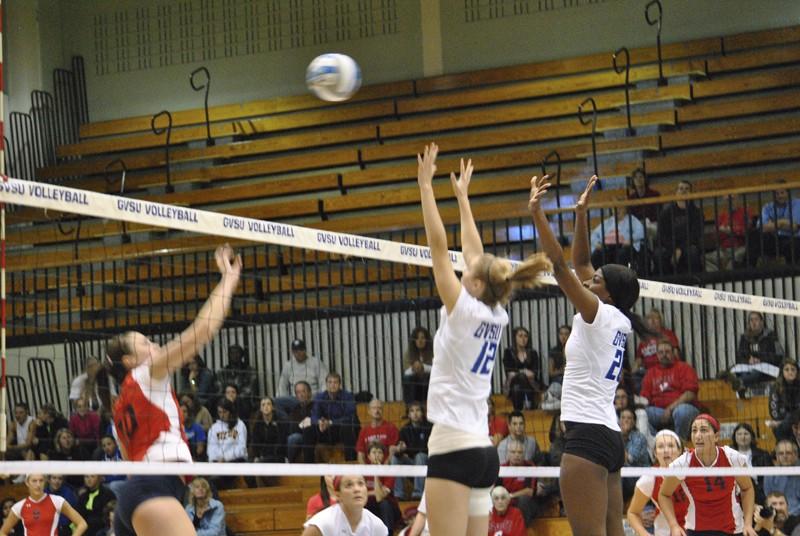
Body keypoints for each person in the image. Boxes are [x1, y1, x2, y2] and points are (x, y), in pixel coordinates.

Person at [419, 145, 550, 536]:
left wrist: (426, 186)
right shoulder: (495, 312)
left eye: (470, 270)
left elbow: (439, 249)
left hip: (453, 445)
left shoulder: (463, 311)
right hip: (481, 453)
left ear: (476, 283)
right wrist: (462, 199)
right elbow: (474, 255)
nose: (466, 265)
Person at [530, 173, 652, 536]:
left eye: (596, 280)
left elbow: (559, 265)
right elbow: (581, 261)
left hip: (585, 437)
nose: (588, 281)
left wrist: (537, 213)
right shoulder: (618, 318)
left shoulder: (598, 313)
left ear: (609, 293)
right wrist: (582, 214)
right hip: (609, 437)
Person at [101, 243, 241, 536]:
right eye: (144, 343)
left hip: (137, 495)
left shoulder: (120, 405)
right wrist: (228, 279)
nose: (153, 345)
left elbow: (130, 465)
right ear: (130, 360)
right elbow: (202, 331)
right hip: (154, 491)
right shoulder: (147, 373)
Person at [658, 414, 757, 536]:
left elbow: (747, 488)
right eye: (694, 431)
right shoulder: (683, 464)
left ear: (716, 436)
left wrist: (748, 523)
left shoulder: (732, 458)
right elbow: (664, 495)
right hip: (697, 530)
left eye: (703, 430)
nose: (698, 435)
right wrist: (673, 526)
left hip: (733, 529)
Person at [627, 429, 688, 536]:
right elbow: (632, 513)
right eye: (661, 447)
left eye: (670, 446)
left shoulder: (692, 471)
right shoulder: (650, 477)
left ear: (680, 450)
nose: (666, 450)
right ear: (655, 453)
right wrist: (644, 534)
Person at [640, 338, 700, 440]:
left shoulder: (684, 368)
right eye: (661, 352)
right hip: (658, 412)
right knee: (641, 414)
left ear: (673, 353)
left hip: (682, 409)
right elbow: (644, 397)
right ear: (657, 355)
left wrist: (670, 409)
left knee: (682, 412)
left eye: (667, 352)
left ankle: (679, 443)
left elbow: (690, 394)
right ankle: (657, 442)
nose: (664, 355)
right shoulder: (650, 372)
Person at [0, 474, 88, 536]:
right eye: (34, 481)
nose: (38, 484)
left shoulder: (57, 501)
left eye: (41, 480)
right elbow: (2, 532)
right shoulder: (19, 506)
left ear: (45, 482)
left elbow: (82, 524)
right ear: (27, 483)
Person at [302, 372, 360, 463]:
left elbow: (350, 417)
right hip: (325, 430)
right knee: (308, 429)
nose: (332, 385)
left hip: (341, 430)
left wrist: (331, 422)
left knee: (348, 425)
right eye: (330, 382)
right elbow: (314, 415)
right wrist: (319, 422)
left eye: (335, 382)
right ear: (326, 384)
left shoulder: (348, 396)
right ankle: (308, 466)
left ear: (340, 384)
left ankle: (351, 462)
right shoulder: (320, 397)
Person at [302, 475, 388, 536]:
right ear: (338, 494)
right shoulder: (323, 524)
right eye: (349, 485)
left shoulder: (377, 526)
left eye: (361, 483)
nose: (357, 489)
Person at [655, 180, 704, 275]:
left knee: (693, 252)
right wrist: (674, 249)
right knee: (658, 254)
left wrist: (680, 249)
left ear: (691, 193)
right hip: (669, 246)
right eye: (681, 188)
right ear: (676, 192)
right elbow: (662, 235)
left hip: (688, 245)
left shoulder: (697, 213)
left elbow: (695, 235)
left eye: (687, 189)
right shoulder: (666, 213)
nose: (683, 191)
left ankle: (694, 283)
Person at [747, 182, 800, 266]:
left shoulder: (797, 203)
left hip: (792, 238)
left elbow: (795, 227)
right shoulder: (767, 207)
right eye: (776, 193)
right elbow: (761, 227)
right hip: (774, 238)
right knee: (753, 234)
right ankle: (748, 270)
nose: (779, 196)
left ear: (788, 192)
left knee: (794, 244)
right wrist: (782, 223)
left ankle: (791, 273)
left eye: (782, 192)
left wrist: (773, 224)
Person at [733, 311, 786, 390]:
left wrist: (760, 360)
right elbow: (739, 357)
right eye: (751, 320)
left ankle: (740, 382)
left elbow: (779, 356)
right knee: (737, 372)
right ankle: (738, 382)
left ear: (761, 322)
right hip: (749, 367)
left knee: (754, 374)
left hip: (766, 369)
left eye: (756, 319)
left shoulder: (770, 336)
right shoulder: (744, 338)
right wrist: (749, 361)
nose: (754, 322)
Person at [390, 401, 431, 501]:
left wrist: (408, 449)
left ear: (422, 412)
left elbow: (427, 449)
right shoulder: (405, 429)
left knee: (420, 456)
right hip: (412, 463)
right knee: (395, 458)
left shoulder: (429, 427)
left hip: (428, 463)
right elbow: (400, 449)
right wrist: (400, 449)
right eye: (412, 411)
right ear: (408, 414)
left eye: (418, 410)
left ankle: (418, 493)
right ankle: (399, 494)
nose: (415, 413)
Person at [276, 339, 330, 414]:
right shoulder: (288, 365)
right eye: (295, 351)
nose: (298, 353)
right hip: (294, 400)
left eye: (300, 350)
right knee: (275, 402)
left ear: (305, 350)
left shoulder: (316, 363)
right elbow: (281, 386)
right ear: (292, 352)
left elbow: (325, 382)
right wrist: (282, 399)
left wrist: (320, 398)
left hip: (312, 399)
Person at [589, 201, 646, 270]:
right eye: (615, 209)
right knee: (597, 254)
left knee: (621, 254)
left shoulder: (632, 220)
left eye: (620, 208)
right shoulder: (608, 222)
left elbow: (641, 231)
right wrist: (597, 243)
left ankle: (620, 278)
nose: (617, 211)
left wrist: (631, 239)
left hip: (624, 246)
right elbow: (594, 234)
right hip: (608, 247)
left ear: (625, 210)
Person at [497, 439, 540, 525]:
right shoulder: (502, 468)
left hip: (525, 503)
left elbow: (529, 491)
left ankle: (522, 530)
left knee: (524, 500)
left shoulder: (530, 467)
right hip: (506, 502)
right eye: (513, 452)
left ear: (524, 454)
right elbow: (496, 490)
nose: (517, 455)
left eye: (520, 452)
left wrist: (510, 496)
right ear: (508, 454)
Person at [207, 398, 248, 490]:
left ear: (230, 411)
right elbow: (211, 450)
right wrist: (218, 460)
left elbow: (241, 449)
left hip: (237, 461)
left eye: (224, 412)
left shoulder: (240, 425)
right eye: (220, 412)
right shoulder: (214, 428)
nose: (222, 415)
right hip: (218, 463)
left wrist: (225, 458)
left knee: (216, 480)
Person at [364, 441, 402, 533]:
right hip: (370, 505)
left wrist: (376, 474)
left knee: (384, 504)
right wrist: (376, 492)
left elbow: (379, 498)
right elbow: (362, 494)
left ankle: (388, 533)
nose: (377, 455)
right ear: (368, 456)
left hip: (389, 510)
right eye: (374, 452)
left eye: (380, 452)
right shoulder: (363, 472)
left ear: (384, 456)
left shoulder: (389, 472)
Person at [502, 327, 543, 411]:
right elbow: (509, 372)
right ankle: (528, 404)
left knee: (519, 384)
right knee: (519, 381)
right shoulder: (508, 352)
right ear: (515, 338)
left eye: (525, 336)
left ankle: (519, 410)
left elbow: (534, 373)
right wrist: (524, 371)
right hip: (512, 383)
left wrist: (518, 372)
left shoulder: (533, 353)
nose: (523, 339)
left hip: (531, 384)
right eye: (520, 336)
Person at [704, 202, 754, 271]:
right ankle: (718, 277)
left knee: (736, 257)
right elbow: (715, 237)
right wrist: (721, 231)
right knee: (704, 258)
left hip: (740, 248)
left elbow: (747, 231)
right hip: (724, 250)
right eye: (727, 199)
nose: (730, 200)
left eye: (733, 198)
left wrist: (732, 231)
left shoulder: (745, 212)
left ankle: (729, 276)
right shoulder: (721, 215)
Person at [732, 422, 773, 496]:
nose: (743, 437)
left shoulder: (763, 455)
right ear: (734, 437)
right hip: (735, 493)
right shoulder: (728, 454)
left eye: (746, 434)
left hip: (759, 493)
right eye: (739, 434)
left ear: (752, 437)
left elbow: (770, 478)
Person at [620, 408, 651, 502]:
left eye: (629, 418)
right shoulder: (617, 435)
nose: (625, 420)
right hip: (626, 476)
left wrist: (618, 437)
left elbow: (628, 459)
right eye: (623, 418)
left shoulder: (639, 437)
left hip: (640, 476)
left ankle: (616, 508)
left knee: (620, 469)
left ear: (634, 422)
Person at [356, 399, 399, 464]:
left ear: (383, 410)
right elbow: (360, 454)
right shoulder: (364, 430)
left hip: (387, 469)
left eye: (379, 408)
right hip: (369, 470)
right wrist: (366, 470)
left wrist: (384, 467)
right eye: (374, 408)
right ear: (369, 411)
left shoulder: (391, 427)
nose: (377, 411)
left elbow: (392, 452)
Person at [764, 440, 800, 517]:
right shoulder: (769, 474)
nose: (785, 456)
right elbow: (768, 498)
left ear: (795, 455)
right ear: (776, 456)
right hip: (775, 515)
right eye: (781, 453)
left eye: (788, 453)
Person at [767, 359, 800, 442]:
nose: (790, 372)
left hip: (796, 422)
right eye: (787, 369)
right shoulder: (776, 387)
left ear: (797, 371)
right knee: (779, 429)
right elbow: (774, 412)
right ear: (782, 372)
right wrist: (784, 421)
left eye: (793, 369)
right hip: (783, 425)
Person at [249, 396, 287, 463]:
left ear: (273, 407)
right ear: (260, 409)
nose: (266, 407)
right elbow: (255, 443)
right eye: (263, 405)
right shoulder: (257, 424)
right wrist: (257, 456)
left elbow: (282, 441)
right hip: (263, 456)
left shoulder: (280, 422)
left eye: (268, 404)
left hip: (277, 455)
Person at [287, 380, 314, 463]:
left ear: (309, 393)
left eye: (303, 391)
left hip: (312, 437)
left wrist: (300, 425)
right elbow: (292, 427)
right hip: (299, 435)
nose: (301, 395)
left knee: (294, 438)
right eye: (298, 392)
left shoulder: (316, 406)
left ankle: (287, 462)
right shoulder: (295, 409)